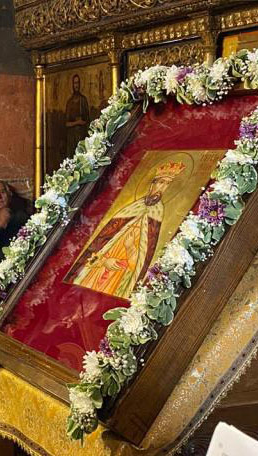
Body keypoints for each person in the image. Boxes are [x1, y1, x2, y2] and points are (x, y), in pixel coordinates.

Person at [65, 160, 186, 300]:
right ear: (152, 183)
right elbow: (101, 240)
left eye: (167, 184)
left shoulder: (157, 214)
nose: (163, 187)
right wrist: (103, 260)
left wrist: (130, 249)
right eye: (161, 182)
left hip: (122, 273)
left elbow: (144, 258)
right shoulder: (132, 207)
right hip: (99, 265)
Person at [64, 74, 90, 156]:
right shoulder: (70, 102)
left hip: (81, 135)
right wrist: (77, 122)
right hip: (72, 137)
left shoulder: (83, 100)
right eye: (75, 83)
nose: (76, 85)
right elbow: (66, 123)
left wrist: (83, 122)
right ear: (72, 84)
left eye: (78, 83)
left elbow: (88, 120)